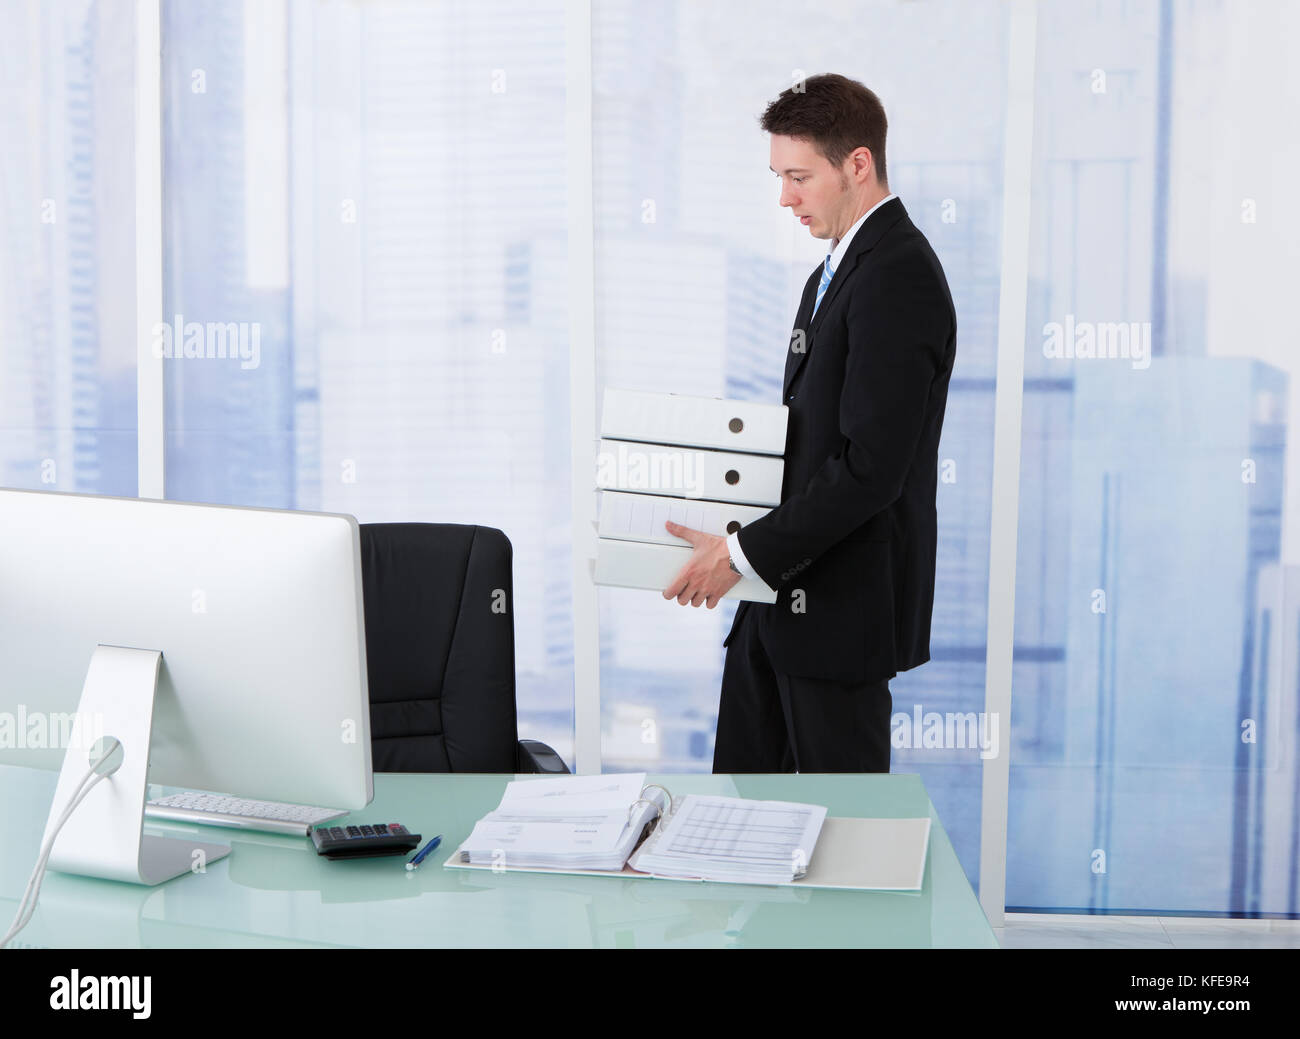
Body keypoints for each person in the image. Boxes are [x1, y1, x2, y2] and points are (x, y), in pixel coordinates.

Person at [663, 73, 956, 774]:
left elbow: (869, 469)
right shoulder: (834, 271)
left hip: (836, 619)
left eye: (799, 176)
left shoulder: (897, 274)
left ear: (858, 164)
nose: (785, 197)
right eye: (779, 176)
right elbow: (811, 444)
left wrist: (739, 554)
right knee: (736, 825)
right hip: (776, 606)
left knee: (843, 845)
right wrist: (740, 540)